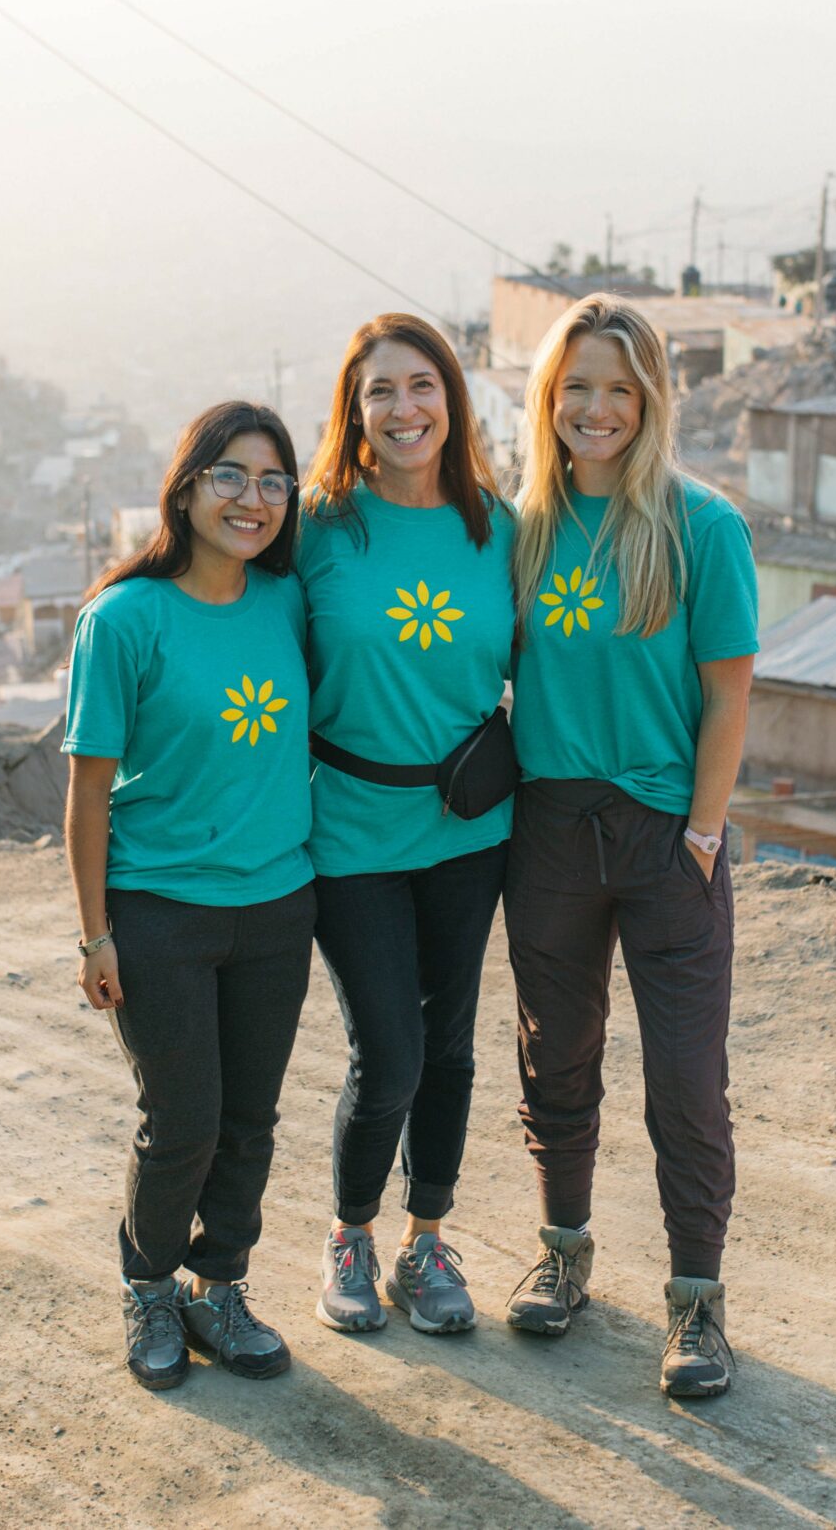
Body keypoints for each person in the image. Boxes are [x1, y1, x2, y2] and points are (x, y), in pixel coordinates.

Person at [499, 294, 758, 1399]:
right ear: (548, 398)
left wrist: (702, 830)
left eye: (619, 387)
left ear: (651, 398)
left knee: (686, 1082)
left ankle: (697, 1302)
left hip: (666, 836)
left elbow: (729, 694)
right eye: (577, 387)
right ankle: (563, 1253)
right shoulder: (521, 529)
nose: (596, 408)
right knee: (555, 1057)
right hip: (550, 830)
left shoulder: (705, 527)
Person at [63, 401, 315, 1391]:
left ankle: (221, 1288)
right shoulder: (123, 619)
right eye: (231, 476)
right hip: (160, 909)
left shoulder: (287, 601)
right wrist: (94, 934)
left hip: (278, 903)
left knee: (250, 1118)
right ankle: (150, 1287)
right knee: (183, 1120)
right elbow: (88, 790)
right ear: (188, 485)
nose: (253, 499)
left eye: (273, 481)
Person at [298, 313, 516, 1337]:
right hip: (349, 829)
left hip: (470, 828)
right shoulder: (315, 528)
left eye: (422, 385)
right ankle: (351, 1234)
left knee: (451, 1048)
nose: (403, 408)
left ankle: (427, 1242)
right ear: (354, 410)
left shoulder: (499, 529)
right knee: (389, 1051)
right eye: (379, 390)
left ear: (452, 401)